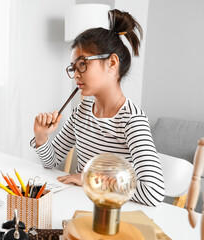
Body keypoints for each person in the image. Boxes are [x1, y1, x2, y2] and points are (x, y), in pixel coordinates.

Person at [30, 9, 165, 206]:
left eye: (82, 64)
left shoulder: (131, 120)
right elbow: (50, 162)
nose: (76, 74)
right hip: (81, 204)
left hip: (113, 215)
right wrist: (41, 138)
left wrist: (89, 179)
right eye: (73, 68)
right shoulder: (81, 113)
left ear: (112, 63)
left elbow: (153, 192)